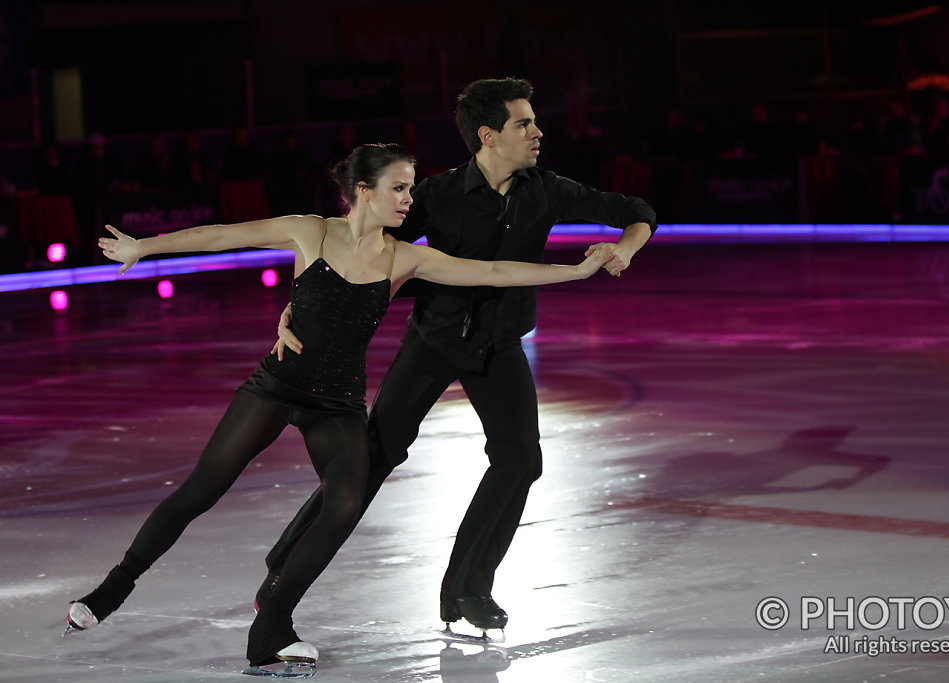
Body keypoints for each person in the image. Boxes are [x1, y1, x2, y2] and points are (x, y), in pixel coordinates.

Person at [66, 142, 612, 674]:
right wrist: (144, 247)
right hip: (276, 386)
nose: (408, 198)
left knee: (345, 503)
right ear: (361, 191)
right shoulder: (312, 231)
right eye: (398, 188)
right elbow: (224, 234)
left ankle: (272, 625)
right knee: (200, 491)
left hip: (338, 403)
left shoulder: (405, 257)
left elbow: (492, 273)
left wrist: (574, 273)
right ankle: (113, 588)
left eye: (409, 187)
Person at [262, 77, 656, 634]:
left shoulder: (547, 191)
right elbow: (358, 245)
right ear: (489, 136)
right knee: (376, 453)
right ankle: (284, 569)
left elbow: (637, 209)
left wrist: (625, 246)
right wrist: (300, 309)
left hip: (498, 347)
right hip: (434, 342)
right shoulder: (438, 196)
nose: (538, 132)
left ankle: (467, 589)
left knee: (520, 460)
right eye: (524, 124)